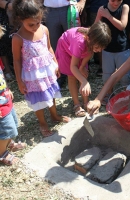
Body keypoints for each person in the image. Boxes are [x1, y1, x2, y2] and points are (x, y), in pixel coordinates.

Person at [12, 0, 71, 137]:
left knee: (51, 92)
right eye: (30, 24)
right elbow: (16, 60)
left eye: (38, 22)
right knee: (37, 98)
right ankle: (42, 122)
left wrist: (56, 65)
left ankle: (54, 115)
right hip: (32, 75)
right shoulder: (18, 38)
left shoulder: (44, 29)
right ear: (21, 20)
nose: (35, 26)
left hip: (47, 69)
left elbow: (49, 48)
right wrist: (19, 81)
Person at [55, 21, 111, 117]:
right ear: (89, 39)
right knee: (72, 76)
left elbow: (90, 52)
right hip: (66, 48)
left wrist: (82, 67)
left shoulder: (92, 41)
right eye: (97, 47)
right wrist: (84, 82)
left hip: (84, 49)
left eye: (101, 48)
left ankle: (86, 102)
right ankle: (77, 104)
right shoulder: (79, 42)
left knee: (83, 74)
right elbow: (73, 66)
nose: (99, 50)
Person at [95, 0, 130, 105]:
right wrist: (100, 15)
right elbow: (96, 26)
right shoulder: (102, 8)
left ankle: (128, 95)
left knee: (125, 76)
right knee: (107, 76)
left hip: (122, 48)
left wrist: (108, 16)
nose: (115, 3)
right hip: (107, 49)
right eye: (112, 0)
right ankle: (109, 96)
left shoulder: (124, 7)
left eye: (118, 0)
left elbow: (122, 26)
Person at [43, 0, 87, 88]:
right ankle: (60, 76)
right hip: (49, 11)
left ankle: (79, 75)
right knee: (54, 45)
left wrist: (82, 1)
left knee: (75, 44)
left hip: (70, 9)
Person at [0, 26, 26, 166]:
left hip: (5, 98)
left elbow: (1, 76)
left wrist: (7, 88)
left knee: (12, 122)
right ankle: (2, 153)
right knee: (5, 129)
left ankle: (9, 143)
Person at [0, 0, 15, 81]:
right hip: (2, 14)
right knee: (3, 39)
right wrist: (8, 5)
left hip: (16, 12)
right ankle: (7, 70)